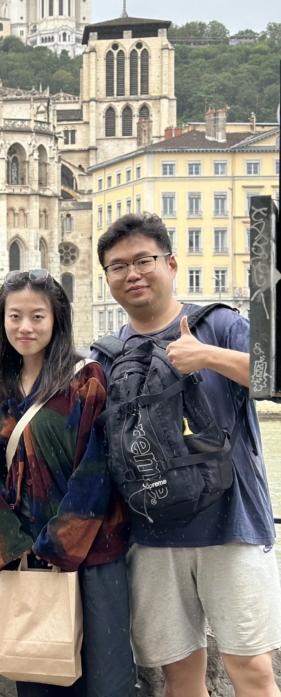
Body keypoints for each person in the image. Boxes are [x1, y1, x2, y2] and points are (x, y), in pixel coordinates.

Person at [93, 213, 281, 697]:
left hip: (233, 528)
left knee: (254, 670)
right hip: (150, 537)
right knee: (178, 677)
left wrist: (207, 356)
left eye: (144, 260)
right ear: (108, 278)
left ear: (171, 264)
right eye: (118, 266)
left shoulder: (219, 323)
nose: (132, 274)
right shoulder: (106, 356)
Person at [0, 269, 133, 697]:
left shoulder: (85, 377)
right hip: (27, 552)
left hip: (92, 551)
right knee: (37, 673)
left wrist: (55, 544)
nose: (24, 327)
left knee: (103, 677)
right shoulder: (2, 384)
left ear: (56, 320)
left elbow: (95, 469)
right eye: (14, 316)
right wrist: (10, 541)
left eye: (37, 316)